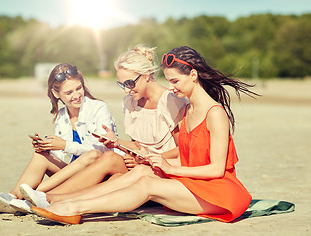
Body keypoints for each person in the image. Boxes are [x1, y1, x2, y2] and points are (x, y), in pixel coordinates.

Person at [30, 46, 257, 224]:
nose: (171, 87)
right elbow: (188, 155)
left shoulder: (215, 113)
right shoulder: (189, 110)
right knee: (141, 171)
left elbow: (216, 169)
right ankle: (60, 200)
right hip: (194, 182)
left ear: (194, 75)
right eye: (169, 81)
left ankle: (73, 209)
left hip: (219, 192)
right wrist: (144, 155)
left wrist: (170, 168)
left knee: (147, 185)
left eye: (175, 81)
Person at [17, 45, 188, 209]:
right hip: (139, 163)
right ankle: (34, 197)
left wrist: (146, 159)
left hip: (161, 166)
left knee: (107, 161)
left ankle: (45, 197)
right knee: (108, 159)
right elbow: (137, 146)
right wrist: (117, 143)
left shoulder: (171, 101)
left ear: (146, 75)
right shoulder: (131, 102)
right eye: (122, 85)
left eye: (129, 83)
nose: (127, 90)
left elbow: (184, 150)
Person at [0, 63, 119, 213]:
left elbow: (104, 150)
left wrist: (64, 145)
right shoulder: (61, 116)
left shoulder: (98, 108)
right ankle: (12, 196)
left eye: (79, 88)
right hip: (76, 172)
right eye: (69, 92)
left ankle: (35, 195)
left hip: (100, 171)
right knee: (41, 156)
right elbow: (61, 156)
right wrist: (47, 148)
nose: (76, 95)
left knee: (93, 154)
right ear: (56, 93)